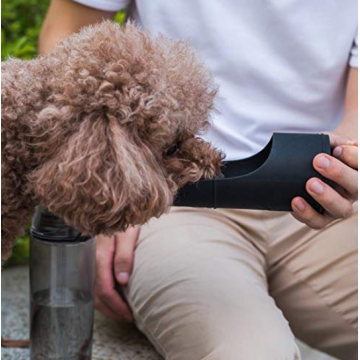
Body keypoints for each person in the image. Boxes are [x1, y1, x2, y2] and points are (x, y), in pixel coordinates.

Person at [39, 1, 358, 359]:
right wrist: (107, 191)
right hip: (171, 202)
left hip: (321, 201)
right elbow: (66, 37)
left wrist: (345, 165)